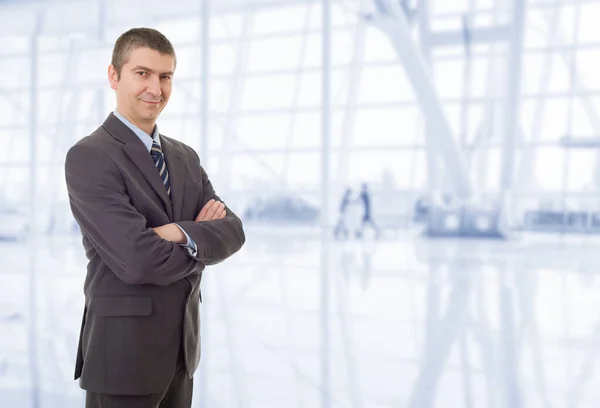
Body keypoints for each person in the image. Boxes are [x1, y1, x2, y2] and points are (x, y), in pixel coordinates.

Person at [64, 28, 246, 408]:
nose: (156, 88)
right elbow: (138, 261)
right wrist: (199, 238)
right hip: (123, 357)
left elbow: (232, 231)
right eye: (142, 73)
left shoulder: (185, 157)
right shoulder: (90, 156)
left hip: (182, 351)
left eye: (165, 77)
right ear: (114, 76)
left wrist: (177, 232)